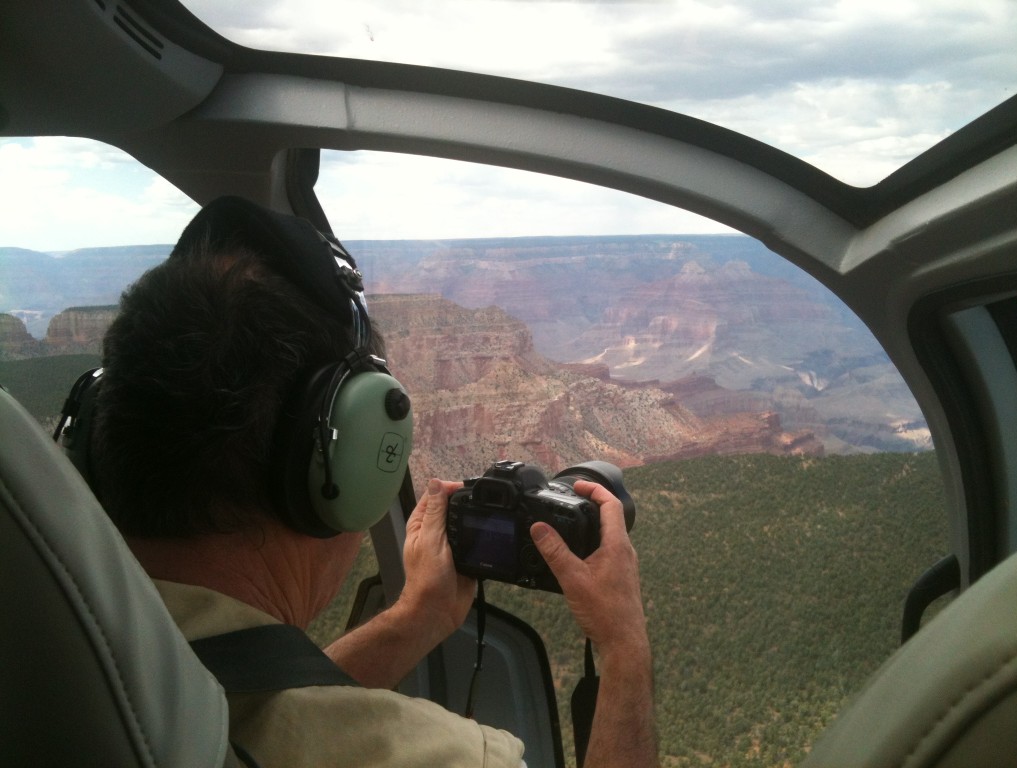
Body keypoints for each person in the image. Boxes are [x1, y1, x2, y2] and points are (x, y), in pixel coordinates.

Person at [90, 197, 656, 768]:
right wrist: (625, 648)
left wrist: (419, 618)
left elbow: (265, 710)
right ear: (349, 463)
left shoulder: (70, 643)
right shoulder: (435, 759)